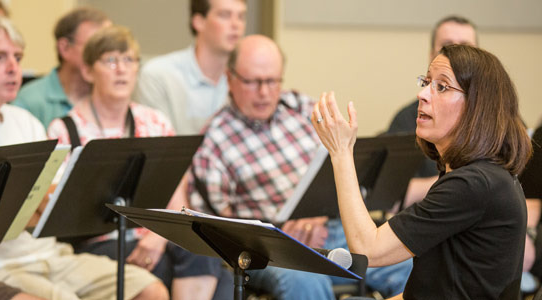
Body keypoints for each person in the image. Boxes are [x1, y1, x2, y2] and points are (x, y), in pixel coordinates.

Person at [0, 15, 168, 300]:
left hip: (52, 253)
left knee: (151, 291)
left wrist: (27, 206)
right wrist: (29, 206)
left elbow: (55, 201)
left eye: (18, 57)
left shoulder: (25, 120)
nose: (14, 68)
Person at [188, 34, 412, 299]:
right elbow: (217, 228)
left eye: (272, 81)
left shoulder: (303, 108)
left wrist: (316, 216)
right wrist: (278, 233)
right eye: (252, 82)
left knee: (409, 269)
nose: (264, 92)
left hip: (330, 227)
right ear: (230, 78)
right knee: (305, 283)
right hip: (268, 248)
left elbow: (337, 171)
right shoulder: (213, 139)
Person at [312, 44, 531, 299]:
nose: (423, 94)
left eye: (442, 86)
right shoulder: (475, 177)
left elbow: (367, 249)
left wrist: (341, 152)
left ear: (477, 107)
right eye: (426, 82)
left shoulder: (474, 184)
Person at [47, 25, 232, 300]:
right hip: (96, 244)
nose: (121, 69)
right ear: (88, 71)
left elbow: (177, 199)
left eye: (129, 60)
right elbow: (60, 213)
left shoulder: (155, 121)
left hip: (158, 237)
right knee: (187, 275)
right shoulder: (63, 130)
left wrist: (157, 238)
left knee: (211, 261)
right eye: (110, 60)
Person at [387, 15, 478, 208]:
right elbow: (389, 196)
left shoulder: (497, 117)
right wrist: (456, 182)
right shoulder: (409, 117)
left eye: (464, 47)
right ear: (432, 56)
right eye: (447, 47)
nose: (455, 56)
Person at [136, 0, 246, 134]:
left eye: (241, 16)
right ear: (199, 22)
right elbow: (159, 145)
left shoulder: (248, 81)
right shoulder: (158, 75)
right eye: (225, 15)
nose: (236, 25)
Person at [13, 7, 111, 128]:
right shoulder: (30, 101)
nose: (106, 56)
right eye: (95, 46)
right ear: (64, 48)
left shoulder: (111, 97)